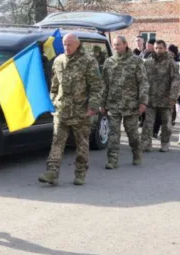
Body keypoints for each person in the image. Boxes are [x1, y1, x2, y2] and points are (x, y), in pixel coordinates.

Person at [39, 33, 103, 186]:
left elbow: (96, 86)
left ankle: (80, 173)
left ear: (77, 44)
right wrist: (53, 100)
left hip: (81, 111)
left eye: (70, 44)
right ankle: (52, 172)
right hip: (61, 110)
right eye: (65, 44)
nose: (67, 47)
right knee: (57, 141)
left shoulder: (88, 61)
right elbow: (54, 85)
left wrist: (92, 106)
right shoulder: (59, 61)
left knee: (81, 144)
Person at [101, 35, 148, 169]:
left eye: (118, 45)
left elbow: (143, 83)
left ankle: (137, 153)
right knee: (113, 134)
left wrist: (143, 102)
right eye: (114, 45)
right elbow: (104, 84)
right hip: (113, 104)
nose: (115, 47)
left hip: (131, 105)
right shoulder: (109, 62)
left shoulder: (136, 61)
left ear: (125, 44)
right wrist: (102, 103)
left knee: (132, 133)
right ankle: (112, 159)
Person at [141, 40, 179, 153]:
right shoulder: (148, 62)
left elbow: (176, 80)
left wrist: (173, 96)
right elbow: (143, 80)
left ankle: (165, 143)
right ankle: (145, 144)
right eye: (156, 48)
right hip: (151, 98)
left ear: (165, 48)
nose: (158, 50)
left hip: (165, 99)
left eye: (160, 48)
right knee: (147, 123)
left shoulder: (171, 63)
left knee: (166, 125)